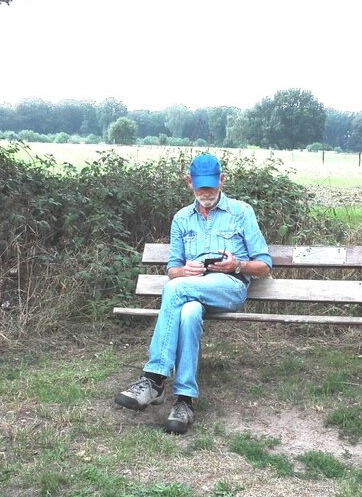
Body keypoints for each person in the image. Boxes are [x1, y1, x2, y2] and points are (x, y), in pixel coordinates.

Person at [115, 153, 272, 433]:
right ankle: (184, 402)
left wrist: (236, 265)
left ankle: (154, 378)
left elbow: (265, 266)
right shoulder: (181, 218)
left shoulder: (241, 212)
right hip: (191, 290)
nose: (206, 192)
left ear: (222, 180)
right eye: (200, 186)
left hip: (229, 287)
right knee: (187, 313)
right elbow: (172, 269)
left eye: (211, 185)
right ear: (189, 182)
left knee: (175, 290)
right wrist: (184, 271)